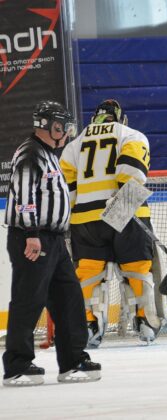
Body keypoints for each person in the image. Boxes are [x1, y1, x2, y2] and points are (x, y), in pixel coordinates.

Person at [60, 99, 167, 348]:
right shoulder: (131, 134)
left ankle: (89, 326)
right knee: (136, 269)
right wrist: (119, 211)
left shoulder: (74, 145)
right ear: (120, 117)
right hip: (126, 213)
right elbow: (131, 174)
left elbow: (68, 190)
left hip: (85, 218)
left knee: (89, 272)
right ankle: (145, 322)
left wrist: (72, 221)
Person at [3, 100, 101, 386]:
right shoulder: (31, 153)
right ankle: (17, 365)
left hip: (53, 240)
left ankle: (72, 360)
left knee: (69, 298)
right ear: (50, 125)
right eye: (63, 126)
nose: (67, 132)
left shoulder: (49, 153)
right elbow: (24, 197)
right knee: (29, 299)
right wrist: (32, 233)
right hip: (34, 238)